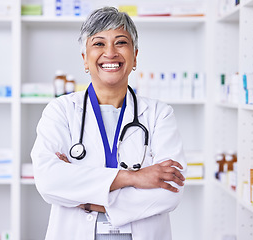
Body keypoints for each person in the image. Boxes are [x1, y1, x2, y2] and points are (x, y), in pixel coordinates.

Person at [31, 6, 186, 240]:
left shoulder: (158, 114)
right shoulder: (61, 111)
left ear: (134, 57)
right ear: (85, 59)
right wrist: (133, 178)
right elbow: (48, 181)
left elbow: (170, 192)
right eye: (99, 43)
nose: (110, 52)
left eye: (121, 42)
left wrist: (87, 199)